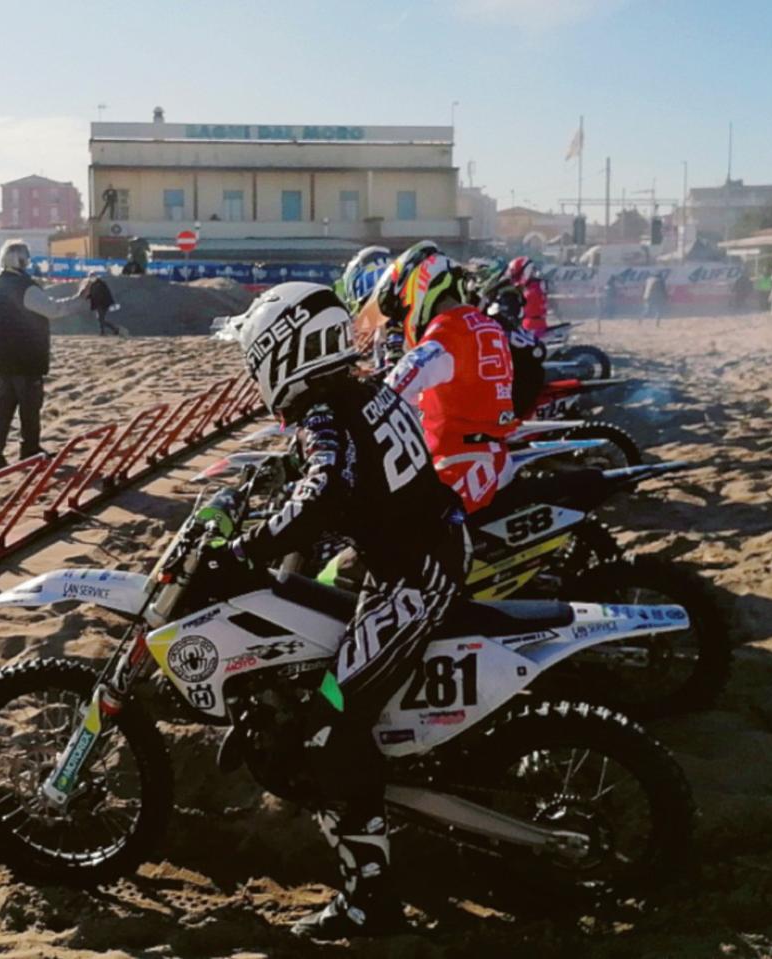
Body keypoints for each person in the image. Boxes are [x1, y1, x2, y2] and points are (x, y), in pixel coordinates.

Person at [215, 281, 467, 940]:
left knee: (330, 722)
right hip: (424, 544)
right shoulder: (362, 389)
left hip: (413, 578)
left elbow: (326, 491)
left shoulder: (325, 411)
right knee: (323, 654)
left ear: (282, 354)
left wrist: (251, 543)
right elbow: (341, 473)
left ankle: (370, 899)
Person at [374, 241, 517, 515]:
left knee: (403, 536)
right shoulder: (481, 322)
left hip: (463, 464)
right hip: (488, 455)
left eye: (400, 310)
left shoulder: (446, 336)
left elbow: (392, 389)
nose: (402, 319)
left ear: (417, 287)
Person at [0, 239, 88, 468]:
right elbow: (53, 309)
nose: (29, 262)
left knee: (4, 406)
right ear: (20, 259)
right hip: (26, 355)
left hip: (1, 356)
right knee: (29, 407)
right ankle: (30, 449)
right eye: (26, 257)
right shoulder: (24, 287)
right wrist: (81, 299)